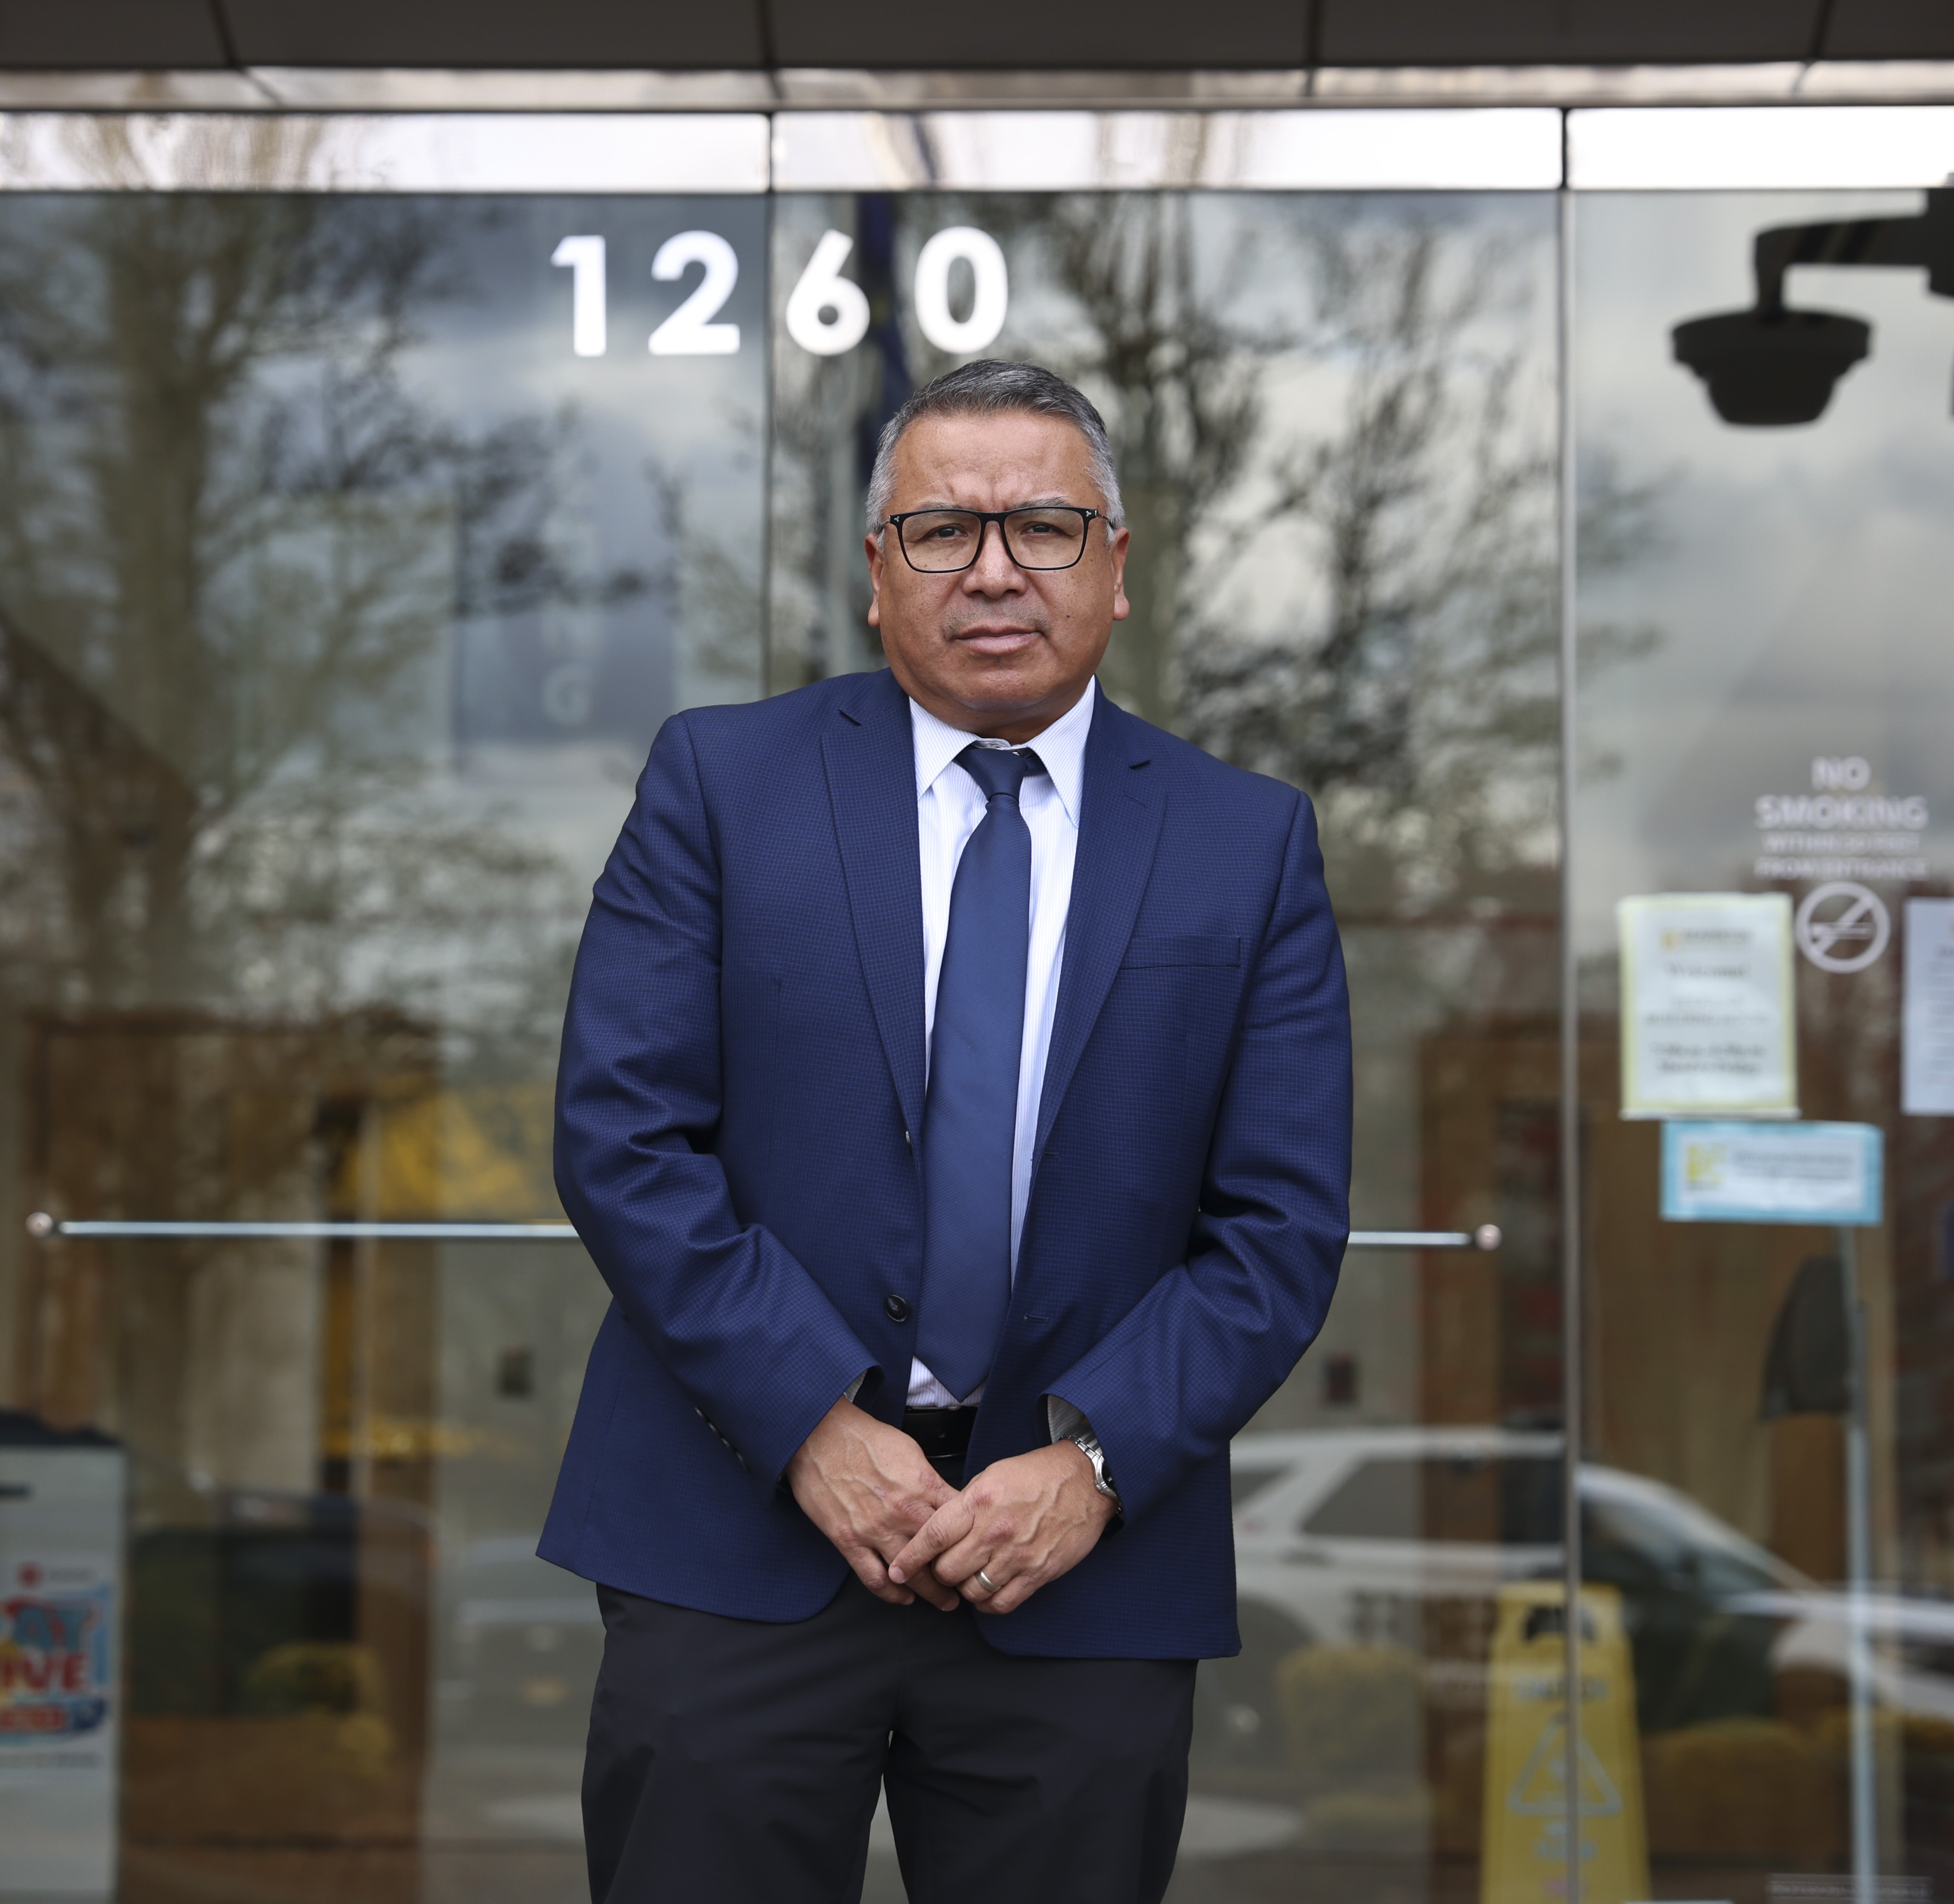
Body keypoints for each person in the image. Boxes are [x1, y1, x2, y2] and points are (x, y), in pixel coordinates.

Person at [539, 358, 1353, 1904]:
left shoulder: (1248, 843)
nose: (992, 567)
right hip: (738, 1543)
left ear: (1116, 567)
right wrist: (808, 1424)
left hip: (1077, 1565)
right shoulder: (719, 782)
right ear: (873, 574)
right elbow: (622, 1138)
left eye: (1044, 526)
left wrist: (1096, 1460)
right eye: (939, 530)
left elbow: (1278, 1229)